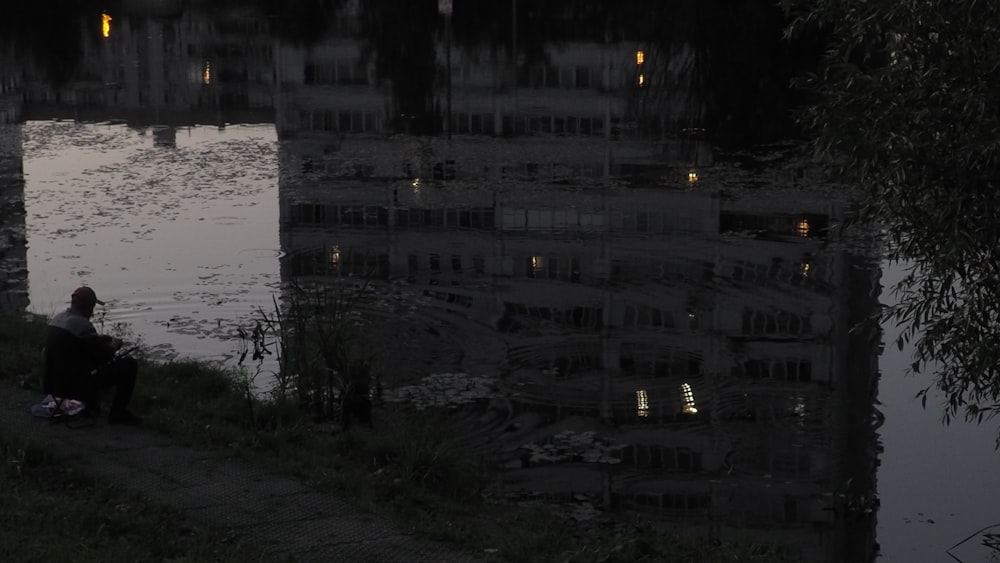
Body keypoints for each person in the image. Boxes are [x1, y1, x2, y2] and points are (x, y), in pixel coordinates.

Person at [43, 286, 142, 425]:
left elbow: (79, 345)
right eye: (92, 306)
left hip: (53, 385)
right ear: (88, 306)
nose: (93, 311)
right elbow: (104, 356)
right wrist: (114, 345)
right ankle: (118, 413)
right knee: (129, 364)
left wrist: (99, 339)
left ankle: (96, 404)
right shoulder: (82, 325)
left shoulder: (57, 319)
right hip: (74, 388)